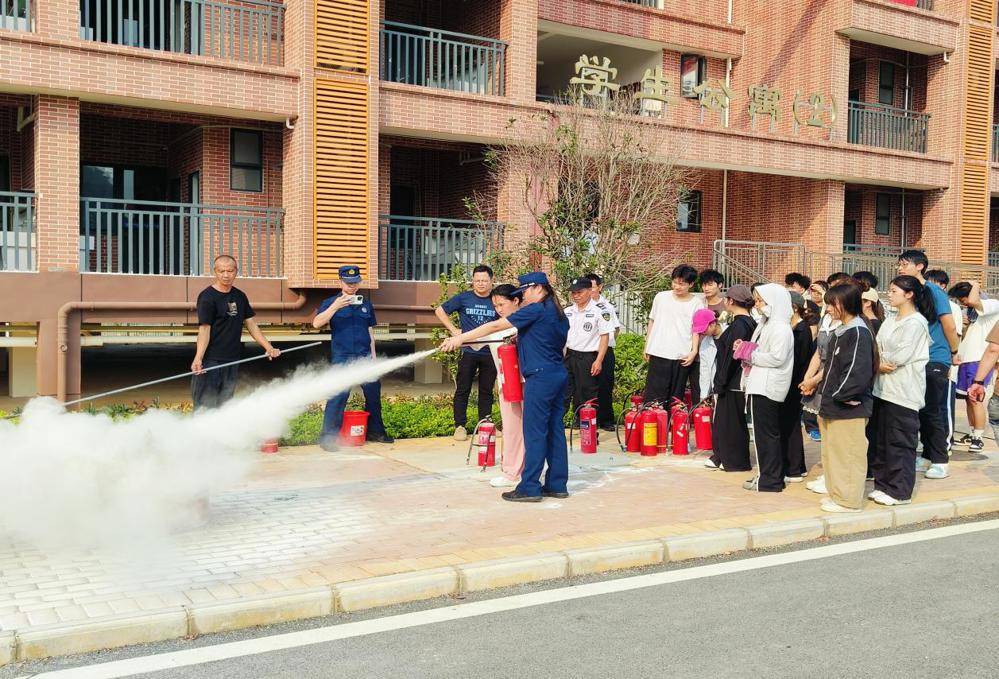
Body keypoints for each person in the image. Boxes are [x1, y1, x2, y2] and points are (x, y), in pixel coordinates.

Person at [441, 272, 570, 503]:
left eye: (525, 292)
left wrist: (460, 338)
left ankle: (529, 487)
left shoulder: (536, 310)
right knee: (555, 431)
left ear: (538, 288)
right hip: (558, 374)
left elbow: (495, 326)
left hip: (539, 378)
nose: (523, 297)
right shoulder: (559, 313)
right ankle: (557, 484)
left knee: (534, 433)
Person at [313, 264, 393, 452]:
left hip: (364, 357)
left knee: (373, 394)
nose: (352, 286)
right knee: (338, 395)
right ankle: (328, 437)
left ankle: (376, 431)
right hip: (342, 357)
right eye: (348, 283)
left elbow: (369, 330)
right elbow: (317, 323)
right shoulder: (330, 302)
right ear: (340, 281)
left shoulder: (365, 304)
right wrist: (335, 306)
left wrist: (373, 357)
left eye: (355, 282)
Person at [815, 282, 877, 513]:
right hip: (833, 404)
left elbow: (857, 370)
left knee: (848, 454)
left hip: (848, 406)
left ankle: (848, 500)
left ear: (845, 304)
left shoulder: (858, 332)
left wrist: (842, 395)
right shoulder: (843, 330)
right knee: (834, 454)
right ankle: (838, 495)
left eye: (832, 304)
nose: (828, 309)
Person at [870, 276, 932, 506]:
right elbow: (876, 348)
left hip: (903, 392)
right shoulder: (890, 320)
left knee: (900, 442)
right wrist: (878, 362)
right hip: (882, 388)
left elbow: (899, 357)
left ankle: (900, 491)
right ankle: (883, 484)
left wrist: (881, 360)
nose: (889, 293)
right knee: (881, 440)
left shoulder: (916, 323)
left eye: (894, 290)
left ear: (909, 294)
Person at [897, 252, 958, 480]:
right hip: (915, 358)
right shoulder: (907, 292)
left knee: (933, 409)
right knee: (920, 409)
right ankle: (927, 454)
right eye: (899, 264)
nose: (899, 268)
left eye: (905, 264)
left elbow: (949, 326)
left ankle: (941, 460)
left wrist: (953, 353)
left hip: (935, 357)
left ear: (920, 266)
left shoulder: (934, 292)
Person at [191, 254, 281, 410]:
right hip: (211, 360)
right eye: (222, 271)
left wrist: (268, 347)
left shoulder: (240, 296)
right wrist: (198, 358)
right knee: (205, 404)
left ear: (236, 271)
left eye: (230, 271)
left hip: (233, 359)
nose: (226, 275)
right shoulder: (207, 297)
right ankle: (199, 434)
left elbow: (251, 324)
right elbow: (204, 329)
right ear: (215, 272)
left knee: (225, 404)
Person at [738, 284, 794, 493]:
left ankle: (770, 479)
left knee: (766, 435)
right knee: (764, 435)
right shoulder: (767, 324)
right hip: (760, 383)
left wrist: (750, 356)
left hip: (767, 385)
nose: (758, 305)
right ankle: (767, 475)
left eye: (761, 301)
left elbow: (776, 357)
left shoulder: (780, 327)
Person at [435, 265, 498, 441]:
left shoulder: (496, 300)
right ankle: (460, 426)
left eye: (485, 280)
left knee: (486, 390)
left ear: (492, 281)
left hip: (489, 352)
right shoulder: (464, 298)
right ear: (472, 280)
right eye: (477, 280)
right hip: (468, 351)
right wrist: (454, 330)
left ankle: (485, 424)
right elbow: (440, 311)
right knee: (463, 389)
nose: (481, 284)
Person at [705, 285, 757, 471]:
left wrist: (721, 381)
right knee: (728, 421)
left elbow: (732, 357)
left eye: (726, 298)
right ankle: (724, 457)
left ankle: (734, 461)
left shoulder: (740, 325)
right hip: (737, 379)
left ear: (731, 301)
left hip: (733, 381)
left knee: (731, 422)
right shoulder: (748, 323)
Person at [948, 280, 999, 452]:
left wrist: (975, 284)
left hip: (979, 359)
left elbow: (973, 301)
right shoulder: (972, 312)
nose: (963, 302)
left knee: (975, 399)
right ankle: (971, 433)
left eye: (963, 298)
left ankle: (978, 437)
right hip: (966, 358)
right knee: (968, 399)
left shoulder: (991, 304)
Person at [483, 284, 525, 489]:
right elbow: (473, 339)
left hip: (529, 383)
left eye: (502, 304)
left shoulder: (526, 324)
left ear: (516, 301)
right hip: (507, 385)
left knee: (532, 429)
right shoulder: (494, 329)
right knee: (511, 429)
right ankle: (511, 472)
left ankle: (532, 468)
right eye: (495, 305)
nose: (498, 309)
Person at [644, 265, 705, 406]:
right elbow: (652, 321)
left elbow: (696, 329)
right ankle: (653, 425)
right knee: (653, 395)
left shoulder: (696, 303)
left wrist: (694, 351)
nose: (677, 286)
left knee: (675, 397)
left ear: (691, 284)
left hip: (681, 355)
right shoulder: (661, 297)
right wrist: (647, 346)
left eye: (681, 284)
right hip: (658, 351)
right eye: (675, 282)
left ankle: (671, 425)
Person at [564, 277, 611, 422]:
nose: (576, 295)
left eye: (579, 292)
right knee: (565, 391)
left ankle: (589, 427)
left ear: (590, 291)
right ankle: (566, 423)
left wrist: (598, 360)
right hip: (569, 356)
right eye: (573, 293)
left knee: (587, 393)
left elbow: (605, 337)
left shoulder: (600, 311)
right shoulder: (567, 311)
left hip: (588, 357)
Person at [782, 292, 815, 482]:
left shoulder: (801, 329)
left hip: (794, 384)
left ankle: (794, 467)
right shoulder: (792, 327)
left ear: (794, 308)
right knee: (788, 424)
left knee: (791, 424)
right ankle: (796, 465)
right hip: (790, 382)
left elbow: (801, 360)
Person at [585, 273, 623, 432]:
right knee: (585, 387)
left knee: (605, 385)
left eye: (591, 287)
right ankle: (584, 418)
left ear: (599, 287)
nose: (588, 291)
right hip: (586, 352)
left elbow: (615, 329)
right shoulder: (578, 306)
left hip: (605, 351)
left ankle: (606, 420)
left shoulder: (606, 306)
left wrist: (604, 344)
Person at [692, 309, 720, 402]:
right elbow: (704, 371)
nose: (702, 333)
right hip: (716, 385)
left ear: (713, 323)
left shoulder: (729, 334)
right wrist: (703, 396)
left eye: (704, 329)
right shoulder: (705, 343)